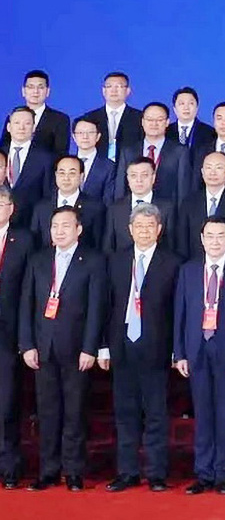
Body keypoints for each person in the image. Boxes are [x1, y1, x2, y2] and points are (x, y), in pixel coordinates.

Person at [19, 206, 105, 491]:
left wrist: (90, 347)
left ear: (78, 229)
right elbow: (26, 304)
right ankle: (49, 470)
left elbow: (96, 308)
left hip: (76, 347)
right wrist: (27, 344)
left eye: (66, 226)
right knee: (47, 412)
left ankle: (74, 470)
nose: (59, 231)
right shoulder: (39, 259)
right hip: (43, 347)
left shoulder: (92, 260)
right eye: (55, 226)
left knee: (74, 411)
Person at [98, 203, 181, 493]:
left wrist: (177, 349)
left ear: (159, 230)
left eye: (150, 226)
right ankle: (127, 472)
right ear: (130, 230)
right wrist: (104, 346)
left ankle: (156, 473)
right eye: (139, 226)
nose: (144, 231)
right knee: (125, 413)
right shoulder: (116, 261)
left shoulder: (173, 262)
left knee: (156, 413)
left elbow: (178, 311)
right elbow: (105, 306)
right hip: (121, 346)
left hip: (157, 348)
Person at [173, 217, 225, 495]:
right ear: (202, 239)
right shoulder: (188, 270)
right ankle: (203, 473)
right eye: (210, 235)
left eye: (221, 235)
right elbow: (180, 314)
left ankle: (222, 474)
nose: (215, 241)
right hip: (196, 349)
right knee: (203, 414)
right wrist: (179, 352)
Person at [0, 188, 32, 489]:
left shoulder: (23, 240)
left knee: (6, 403)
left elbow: (29, 290)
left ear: (11, 208)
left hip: (8, 335)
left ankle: (8, 467)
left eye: (1, 204)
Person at [177, 151, 225, 262]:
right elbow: (182, 241)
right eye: (209, 167)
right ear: (202, 172)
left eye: (219, 168)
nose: (213, 172)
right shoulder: (189, 202)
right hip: (194, 266)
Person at [115, 102, 192, 204]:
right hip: (135, 209)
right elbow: (120, 187)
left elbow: (183, 188)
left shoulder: (180, 151)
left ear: (167, 122)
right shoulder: (128, 151)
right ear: (142, 122)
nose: (154, 124)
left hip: (167, 209)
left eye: (159, 120)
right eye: (150, 120)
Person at [102, 158, 177, 254]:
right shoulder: (115, 208)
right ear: (128, 179)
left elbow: (171, 245)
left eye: (144, 175)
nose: (139, 180)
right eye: (133, 175)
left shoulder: (167, 208)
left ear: (153, 178)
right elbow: (108, 247)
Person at [29, 155, 104, 250]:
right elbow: (35, 242)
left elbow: (98, 244)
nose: (66, 178)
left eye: (72, 173)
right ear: (56, 175)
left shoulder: (95, 207)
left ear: (81, 177)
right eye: (62, 173)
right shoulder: (41, 207)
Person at [3, 106, 53, 228]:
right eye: (17, 123)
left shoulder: (46, 158)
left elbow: (48, 195)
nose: (22, 127)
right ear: (9, 127)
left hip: (30, 224)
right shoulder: (1, 153)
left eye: (27, 123)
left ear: (34, 127)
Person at [0, 70, 70, 156]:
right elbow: (4, 148)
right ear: (23, 91)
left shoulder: (60, 119)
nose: (35, 91)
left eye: (40, 87)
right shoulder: (13, 116)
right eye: (31, 87)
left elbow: (61, 153)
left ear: (47, 91)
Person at [80, 71, 143, 162]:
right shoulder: (90, 117)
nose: (114, 91)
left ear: (128, 91)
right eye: (109, 86)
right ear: (103, 91)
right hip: (98, 165)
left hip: (130, 165)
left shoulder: (140, 117)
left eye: (119, 86)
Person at [73, 117, 116, 205]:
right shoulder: (64, 163)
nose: (85, 137)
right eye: (80, 133)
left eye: (90, 132)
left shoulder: (109, 166)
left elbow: (108, 200)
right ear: (74, 137)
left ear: (98, 136)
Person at [167, 86, 216, 153]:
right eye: (182, 104)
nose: (186, 108)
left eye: (191, 103)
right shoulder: (166, 131)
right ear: (174, 109)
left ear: (197, 108)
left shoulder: (209, 132)